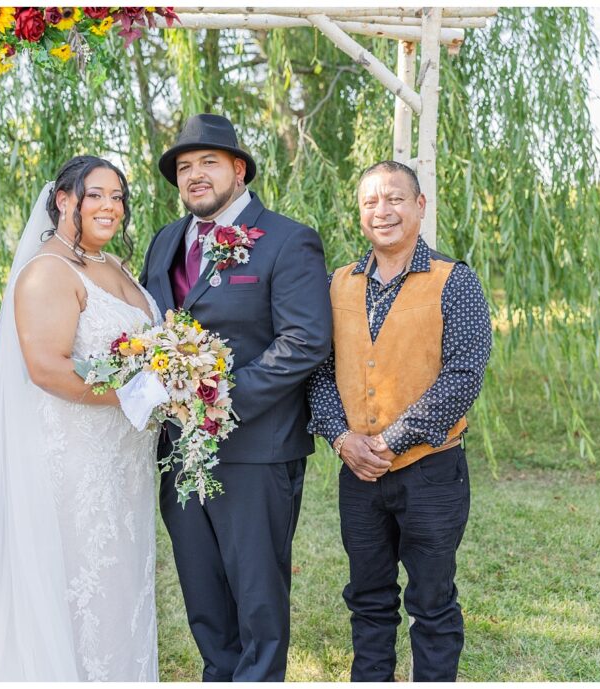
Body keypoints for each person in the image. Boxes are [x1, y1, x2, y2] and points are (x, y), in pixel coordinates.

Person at [0, 156, 161, 681]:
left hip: (122, 460)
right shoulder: (48, 271)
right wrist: (137, 394)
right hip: (78, 461)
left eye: (118, 196)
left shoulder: (108, 264)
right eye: (97, 195)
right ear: (65, 200)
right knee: (82, 582)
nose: (111, 206)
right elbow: (46, 368)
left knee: (120, 582)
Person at [140, 113, 332, 681]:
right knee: (203, 593)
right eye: (183, 167)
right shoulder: (166, 240)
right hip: (178, 453)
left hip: (255, 449)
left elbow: (306, 340)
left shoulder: (288, 239)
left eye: (207, 163)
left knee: (257, 598)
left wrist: (217, 401)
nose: (193, 175)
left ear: (239, 170)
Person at [306, 160, 492, 681]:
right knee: (367, 599)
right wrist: (342, 437)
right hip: (357, 474)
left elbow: (462, 376)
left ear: (419, 207)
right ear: (360, 214)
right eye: (370, 202)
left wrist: (387, 441)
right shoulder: (335, 283)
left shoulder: (455, 282)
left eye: (393, 199)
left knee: (432, 604)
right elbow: (316, 372)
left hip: (431, 473)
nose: (382, 211)